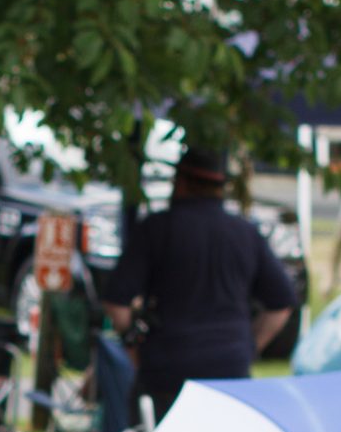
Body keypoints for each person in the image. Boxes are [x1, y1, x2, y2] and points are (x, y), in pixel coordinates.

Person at [101, 143, 296, 417]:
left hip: (167, 368)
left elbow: (116, 303)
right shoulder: (245, 233)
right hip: (230, 369)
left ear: (180, 183)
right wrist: (249, 345)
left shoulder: (157, 229)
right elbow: (282, 304)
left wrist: (133, 343)